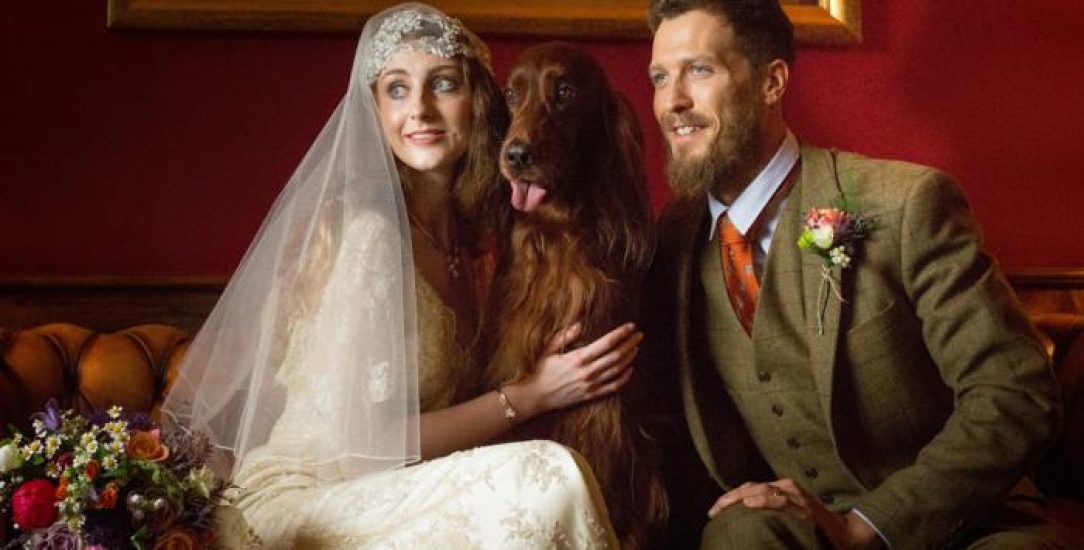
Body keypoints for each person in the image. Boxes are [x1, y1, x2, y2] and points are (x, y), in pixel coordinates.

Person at [161, 3, 640, 548]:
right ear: (373, 111)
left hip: (400, 487)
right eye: (396, 89)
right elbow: (359, 447)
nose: (419, 109)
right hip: (314, 498)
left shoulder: (477, 245)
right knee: (548, 476)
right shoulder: (371, 237)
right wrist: (529, 396)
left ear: (480, 104)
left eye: (442, 84)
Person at [643, 0, 1069, 548]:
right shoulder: (671, 243)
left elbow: (1015, 394)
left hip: (968, 523)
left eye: (699, 70)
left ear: (772, 82)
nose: (673, 101)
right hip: (796, 530)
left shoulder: (905, 203)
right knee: (739, 533)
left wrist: (868, 525)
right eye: (660, 77)